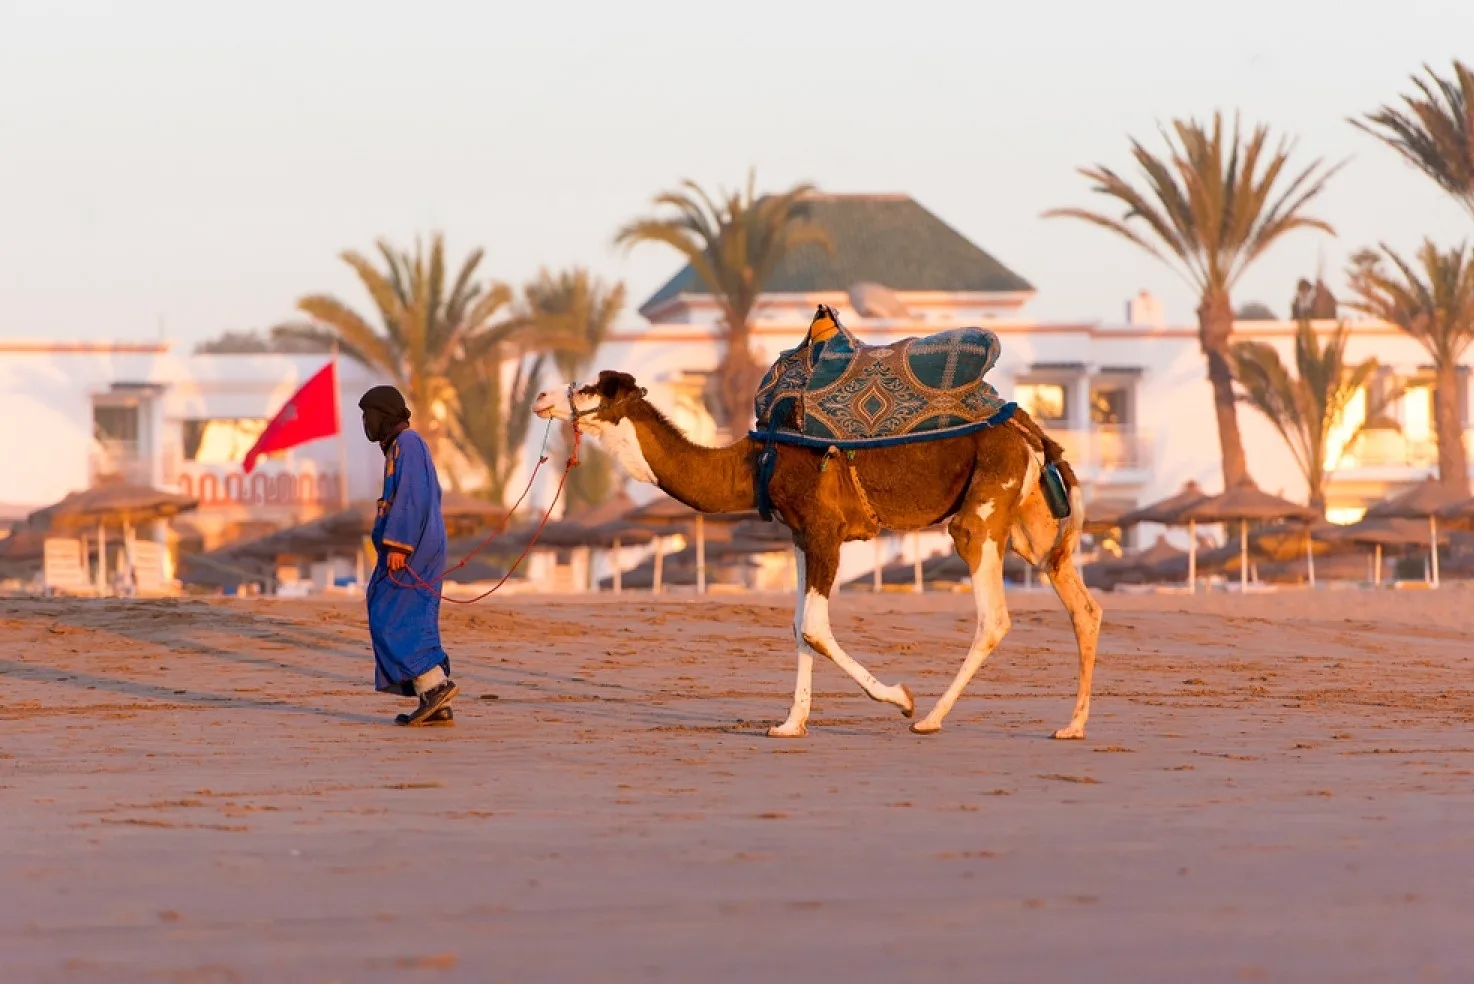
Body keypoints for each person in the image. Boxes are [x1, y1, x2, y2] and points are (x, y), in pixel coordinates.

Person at [359, 385, 458, 727]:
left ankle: (434, 687)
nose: (364, 422)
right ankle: (433, 700)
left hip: (412, 547)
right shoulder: (399, 448)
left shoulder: (408, 444)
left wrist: (400, 545)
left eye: (367, 414)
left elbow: (413, 497)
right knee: (397, 610)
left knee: (392, 615)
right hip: (415, 545)